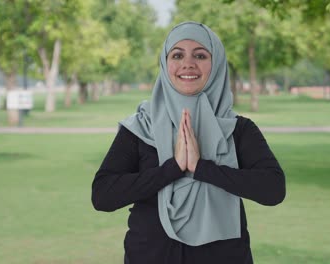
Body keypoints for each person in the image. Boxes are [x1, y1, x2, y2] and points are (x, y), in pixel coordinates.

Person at [92, 21, 286, 264]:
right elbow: (102, 196)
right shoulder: (141, 127)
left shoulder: (238, 130)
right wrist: (172, 168)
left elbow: (274, 190)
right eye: (177, 54)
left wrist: (202, 168)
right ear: (165, 63)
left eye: (200, 55)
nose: (188, 63)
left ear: (215, 65)